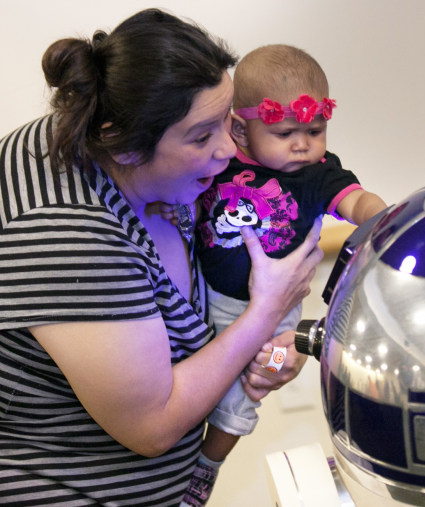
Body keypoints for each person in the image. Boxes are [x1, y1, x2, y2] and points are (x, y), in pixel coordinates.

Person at [0, 9, 322, 506]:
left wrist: (284, 349)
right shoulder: (67, 235)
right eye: (201, 136)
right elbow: (151, 426)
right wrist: (264, 314)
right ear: (121, 143)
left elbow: (254, 347)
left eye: (228, 120)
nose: (227, 149)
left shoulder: (115, 137)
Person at [191, 43, 387, 500]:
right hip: (207, 293)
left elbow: (356, 201)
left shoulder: (317, 174)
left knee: (259, 377)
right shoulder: (218, 162)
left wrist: (384, 216)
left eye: (315, 130)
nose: (303, 144)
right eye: (285, 133)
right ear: (240, 130)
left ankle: (208, 464)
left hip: (277, 309)